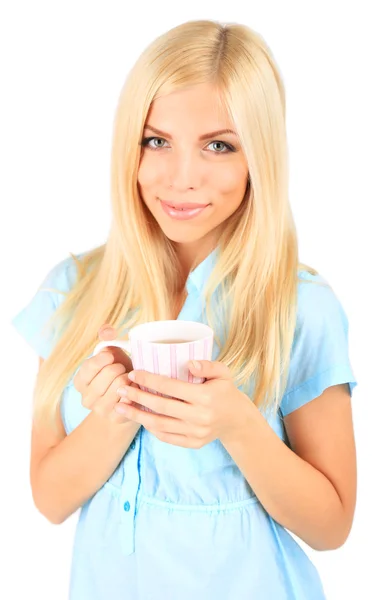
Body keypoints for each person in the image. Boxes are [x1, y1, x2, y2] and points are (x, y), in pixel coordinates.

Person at [12, 19, 357, 600]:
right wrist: (116, 412)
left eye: (219, 146)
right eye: (157, 141)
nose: (182, 177)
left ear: (258, 159)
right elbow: (49, 499)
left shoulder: (301, 307)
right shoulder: (71, 291)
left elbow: (333, 526)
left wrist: (239, 425)